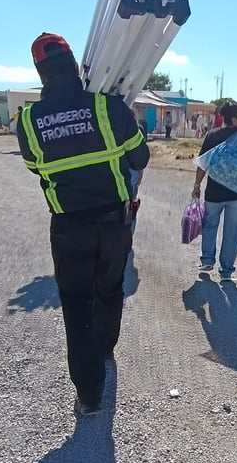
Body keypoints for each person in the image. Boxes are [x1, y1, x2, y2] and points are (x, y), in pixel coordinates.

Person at [17, 32, 150, 415]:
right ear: (77, 67)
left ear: (41, 74)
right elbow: (139, 160)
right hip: (113, 222)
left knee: (76, 305)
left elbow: (37, 169)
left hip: (68, 227)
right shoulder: (109, 108)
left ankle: (89, 395)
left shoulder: (27, 122)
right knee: (109, 289)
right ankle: (104, 349)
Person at [191, 102, 237, 282]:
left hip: (214, 193)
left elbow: (203, 163)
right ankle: (226, 271)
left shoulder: (212, 135)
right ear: (234, 120)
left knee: (210, 226)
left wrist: (197, 185)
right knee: (233, 233)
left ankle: (207, 260)